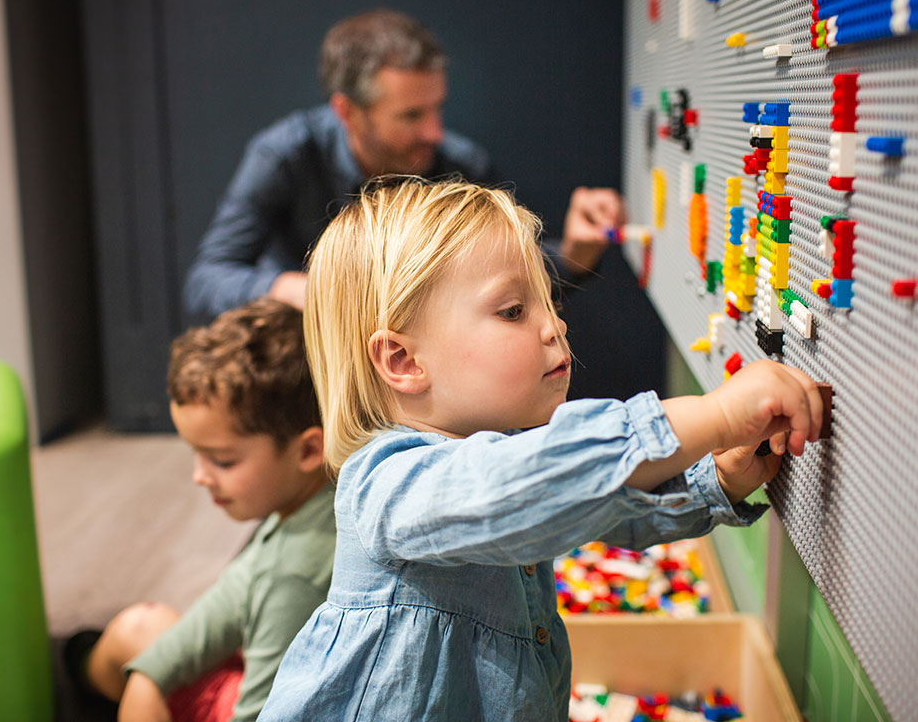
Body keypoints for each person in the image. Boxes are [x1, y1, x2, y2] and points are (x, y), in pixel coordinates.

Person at [256, 178, 823, 719]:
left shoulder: (514, 450)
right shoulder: (386, 483)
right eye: (512, 311)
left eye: (548, 301)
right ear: (404, 362)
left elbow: (604, 505)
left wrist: (716, 482)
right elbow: (520, 485)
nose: (555, 326)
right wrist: (717, 416)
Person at [182, 9, 623, 321]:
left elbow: (513, 279)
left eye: (437, 109)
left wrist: (575, 257)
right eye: (412, 116)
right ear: (347, 112)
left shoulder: (459, 163)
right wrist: (299, 290)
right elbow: (206, 281)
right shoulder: (284, 155)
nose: (434, 132)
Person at [64, 298, 335, 722]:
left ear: (308, 449)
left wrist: (148, 685)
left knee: (132, 635)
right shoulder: (318, 495)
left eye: (222, 460)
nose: (200, 476)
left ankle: (83, 679)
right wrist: (153, 675)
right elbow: (241, 587)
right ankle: (87, 671)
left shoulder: (293, 575)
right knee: (141, 637)